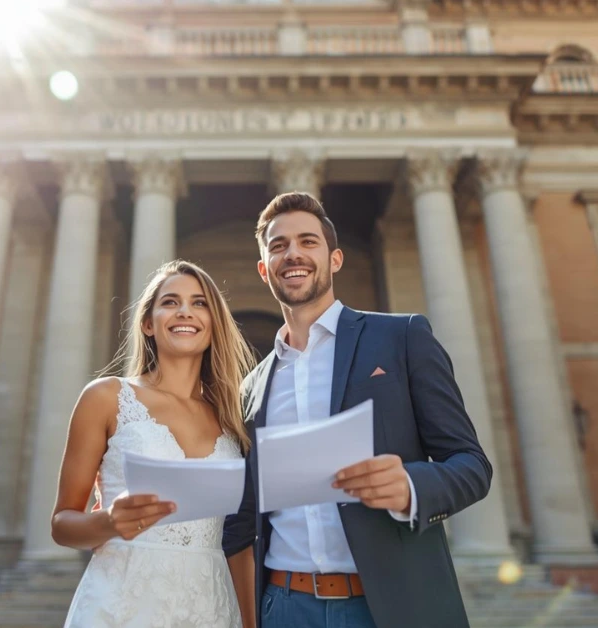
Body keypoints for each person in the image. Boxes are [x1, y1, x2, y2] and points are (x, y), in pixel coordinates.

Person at [223, 192, 494, 628]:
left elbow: (472, 467)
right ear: (264, 269)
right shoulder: (251, 387)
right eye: (278, 246)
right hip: (284, 607)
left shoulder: (403, 337)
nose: (293, 253)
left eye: (308, 242)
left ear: (335, 259)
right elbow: (243, 512)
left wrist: (411, 485)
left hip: (389, 606)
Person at [52, 260, 256, 628]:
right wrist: (110, 522)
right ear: (148, 323)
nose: (184, 311)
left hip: (211, 607)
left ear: (214, 324)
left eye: (199, 303)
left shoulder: (232, 418)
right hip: (122, 604)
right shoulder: (106, 397)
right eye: (170, 301)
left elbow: (238, 540)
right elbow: (62, 523)